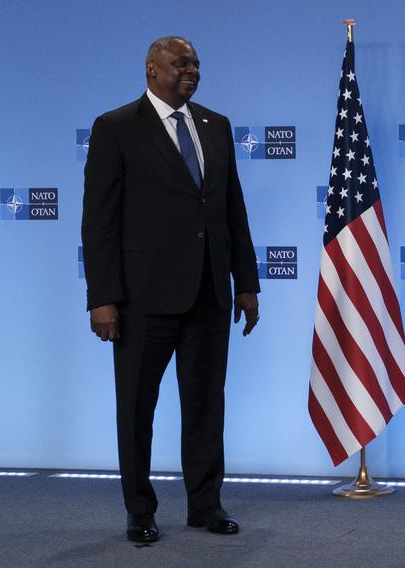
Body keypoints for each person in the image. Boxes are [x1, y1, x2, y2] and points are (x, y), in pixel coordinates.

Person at [81, 36, 261, 543]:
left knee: (206, 406)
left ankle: (206, 505)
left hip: (209, 292)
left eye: (197, 64)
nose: (193, 71)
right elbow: (99, 222)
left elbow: (233, 211)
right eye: (182, 63)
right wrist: (103, 297)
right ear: (151, 69)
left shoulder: (216, 125)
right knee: (136, 409)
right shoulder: (115, 127)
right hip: (140, 300)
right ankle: (140, 510)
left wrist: (246, 282)